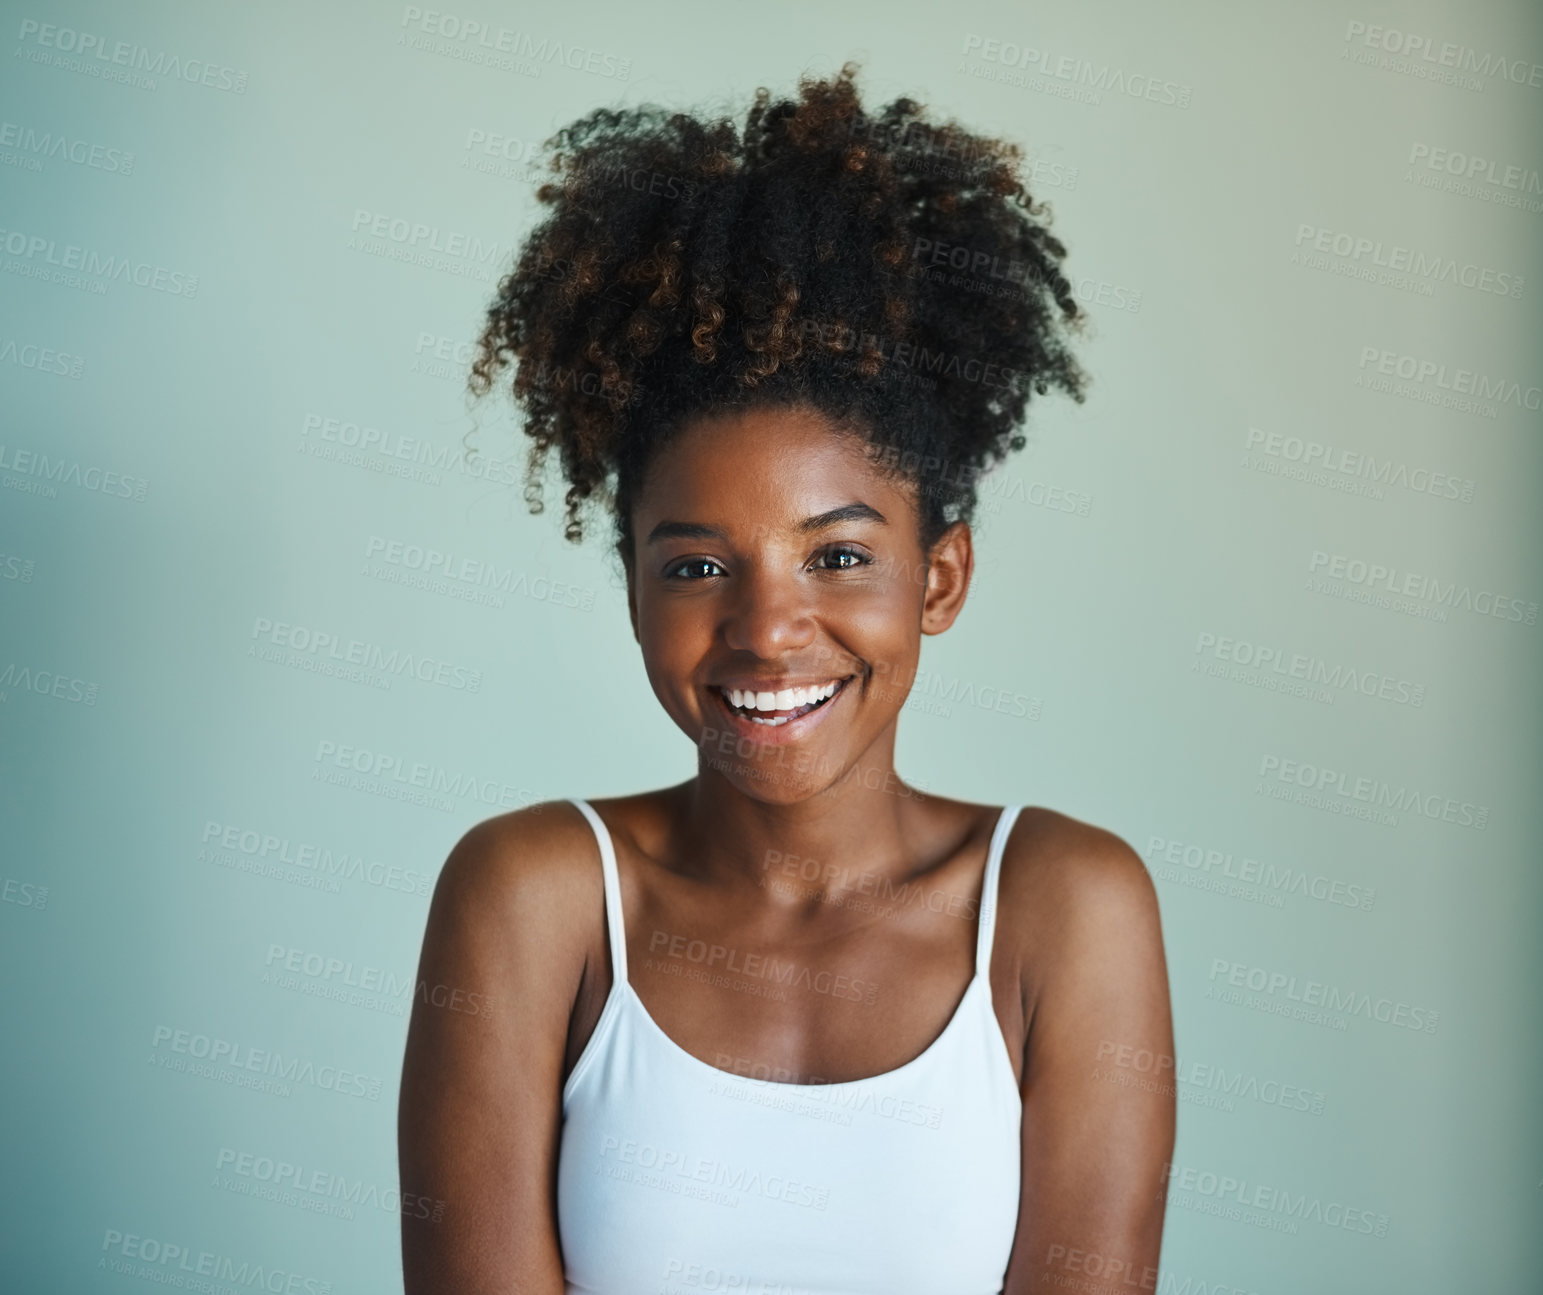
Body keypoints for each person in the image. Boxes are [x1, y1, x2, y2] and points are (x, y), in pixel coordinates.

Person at [399, 61, 1174, 1295]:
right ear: (636, 588)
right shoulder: (532, 898)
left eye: (839, 554)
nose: (768, 629)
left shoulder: (1064, 910)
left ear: (940, 578)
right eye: (699, 562)